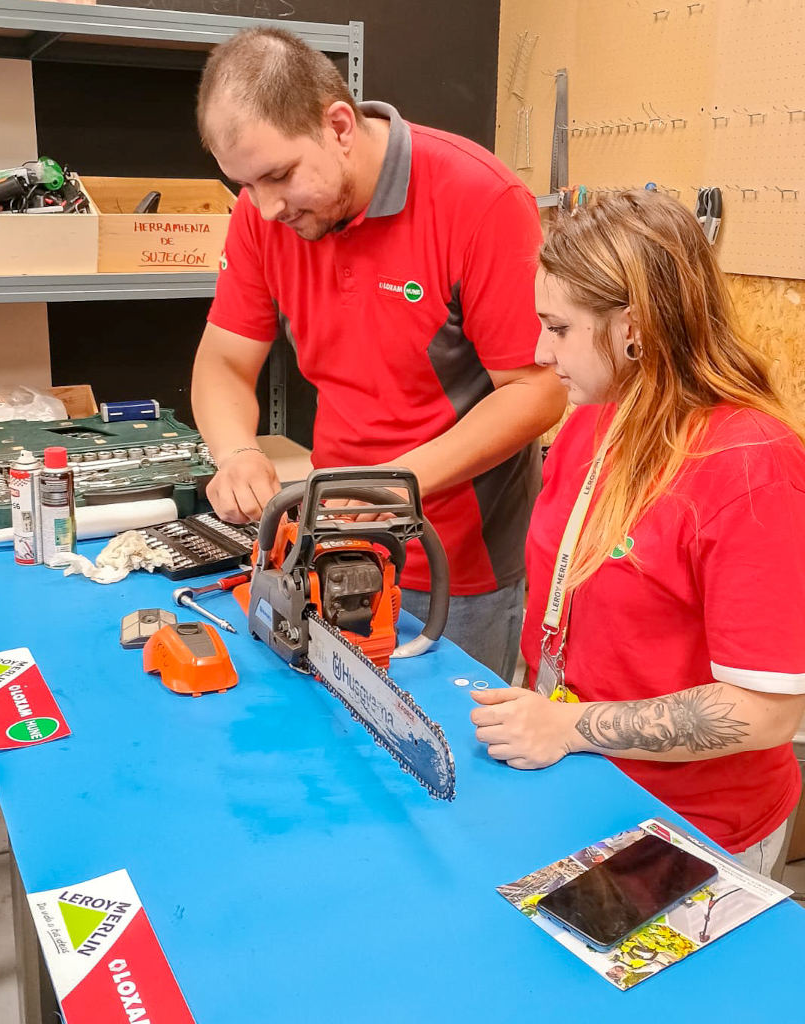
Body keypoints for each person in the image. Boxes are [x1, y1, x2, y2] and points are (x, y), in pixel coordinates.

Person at [191, 27, 566, 681]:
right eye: (245, 184)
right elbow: (224, 361)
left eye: (278, 175)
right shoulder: (263, 214)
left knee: (450, 766)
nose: (267, 206)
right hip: (330, 541)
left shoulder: (479, 201)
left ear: (339, 125)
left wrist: (395, 486)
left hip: (457, 568)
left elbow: (538, 389)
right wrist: (237, 452)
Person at [471, 189, 805, 873]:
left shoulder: (750, 466)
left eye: (559, 328)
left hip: (693, 827)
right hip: (586, 780)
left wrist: (570, 726)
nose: (540, 350)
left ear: (634, 328)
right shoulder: (598, 414)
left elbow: (766, 712)